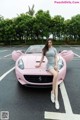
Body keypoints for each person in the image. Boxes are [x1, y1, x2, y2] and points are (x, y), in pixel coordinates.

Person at [36, 38, 60, 110]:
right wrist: (39, 65)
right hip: (49, 65)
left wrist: (56, 65)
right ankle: (52, 92)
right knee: (55, 75)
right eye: (48, 42)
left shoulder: (54, 49)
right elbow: (42, 58)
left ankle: (56, 100)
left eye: (51, 42)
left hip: (55, 65)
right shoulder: (44, 50)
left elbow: (55, 57)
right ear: (47, 43)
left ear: (52, 43)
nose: (50, 43)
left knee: (55, 82)